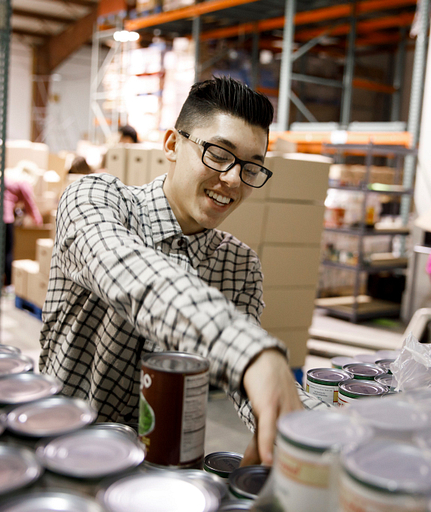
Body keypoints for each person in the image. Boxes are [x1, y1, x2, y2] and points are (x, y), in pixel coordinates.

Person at [39, 76, 325, 467]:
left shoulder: (238, 266)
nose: (232, 180)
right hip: (60, 455)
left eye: (251, 168)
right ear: (173, 145)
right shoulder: (96, 200)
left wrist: (320, 426)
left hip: (161, 472)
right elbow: (131, 274)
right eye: (219, 155)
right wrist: (251, 353)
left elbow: (245, 386)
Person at [0, 174, 43, 286]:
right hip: (5, 218)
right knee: (7, 251)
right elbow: (30, 203)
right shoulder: (24, 183)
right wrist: (38, 221)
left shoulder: (6, 180)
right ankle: (9, 284)